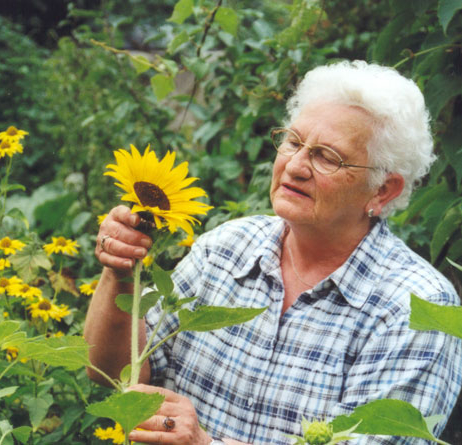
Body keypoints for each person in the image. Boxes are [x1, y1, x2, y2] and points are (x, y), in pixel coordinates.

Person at [83, 60, 462, 444]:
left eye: (327, 157)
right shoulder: (224, 250)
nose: (295, 166)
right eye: (294, 142)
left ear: (383, 190)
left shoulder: (415, 309)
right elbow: (113, 373)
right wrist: (120, 275)